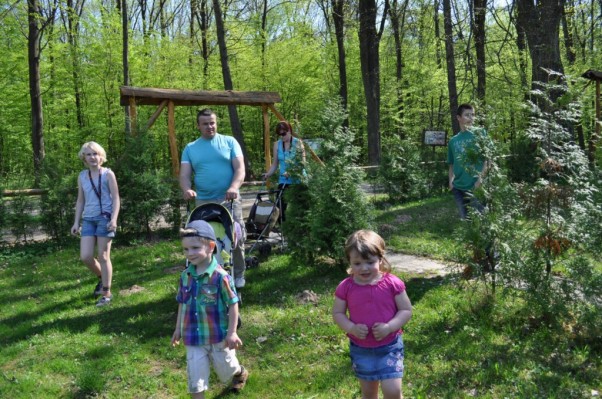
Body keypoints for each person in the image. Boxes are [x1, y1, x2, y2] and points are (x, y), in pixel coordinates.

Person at [172, 220, 249, 398]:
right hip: (193, 337)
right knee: (195, 380)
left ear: (211, 246)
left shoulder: (221, 277)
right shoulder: (185, 276)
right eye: (185, 249)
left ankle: (239, 372)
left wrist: (232, 332)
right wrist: (178, 329)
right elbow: (182, 302)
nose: (189, 253)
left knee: (227, 369)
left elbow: (233, 303)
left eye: (195, 248)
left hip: (218, 337)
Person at [332, 230, 413, 399]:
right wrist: (351, 328)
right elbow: (338, 313)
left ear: (380, 259)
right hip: (361, 348)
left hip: (389, 345)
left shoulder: (392, 283)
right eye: (357, 263)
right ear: (350, 262)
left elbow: (406, 310)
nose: (364, 268)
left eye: (370, 262)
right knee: (369, 394)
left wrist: (390, 327)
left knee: (393, 392)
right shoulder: (345, 287)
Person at [179, 109, 247, 288]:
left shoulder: (230, 142)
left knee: (235, 236)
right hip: (203, 201)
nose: (210, 126)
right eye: (205, 123)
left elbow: (240, 169)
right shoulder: (190, 148)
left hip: (229, 199)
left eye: (212, 122)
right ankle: (206, 273)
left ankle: (238, 273)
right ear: (198, 126)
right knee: (203, 239)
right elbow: (184, 174)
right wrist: (187, 189)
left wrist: (233, 187)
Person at [70, 141, 120, 307]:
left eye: (95, 154)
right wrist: (76, 222)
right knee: (85, 256)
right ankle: (102, 278)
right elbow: (80, 200)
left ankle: (106, 293)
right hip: (88, 219)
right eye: (89, 154)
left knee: (104, 256)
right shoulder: (82, 176)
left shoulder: (108, 174)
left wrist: (113, 219)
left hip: (105, 218)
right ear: (83, 158)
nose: (93, 157)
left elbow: (116, 198)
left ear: (101, 156)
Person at [447, 103, 489, 220]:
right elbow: (451, 163)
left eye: (473, 115)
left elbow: (488, 158)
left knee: (480, 220)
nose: (471, 118)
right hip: (458, 188)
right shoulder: (453, 141)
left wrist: (480, 179)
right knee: (466, 221)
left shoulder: (480, 133)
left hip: (476, 186)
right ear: (458, 118)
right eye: (467, 115)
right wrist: (451, 182)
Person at [262, 120, 306, 222]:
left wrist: (291, 172)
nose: (282, 136)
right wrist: (268, 174)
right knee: (279, 206)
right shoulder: (277, 145)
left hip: (298, 179)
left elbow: (303, 163)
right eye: (279, 134)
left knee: (299, 208)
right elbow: (275, 164)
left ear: (289, 130)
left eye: (284, 133)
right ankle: (283, 228)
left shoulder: (298, 143)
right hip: (284, 180)